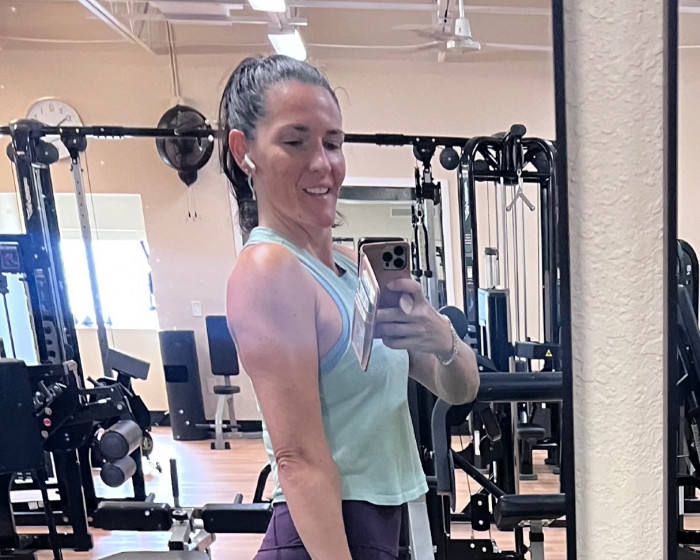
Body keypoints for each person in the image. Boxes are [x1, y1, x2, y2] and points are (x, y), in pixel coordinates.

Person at [219, 54, 480, 560]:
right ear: (243, 151)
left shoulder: (348, 266)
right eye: (295, 142)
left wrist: (442, 338)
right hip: (328, 535)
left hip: (385, 523)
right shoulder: (269, 269)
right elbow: (297, 461)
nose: (322, 163)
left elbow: (460, 389)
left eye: (333, 143)